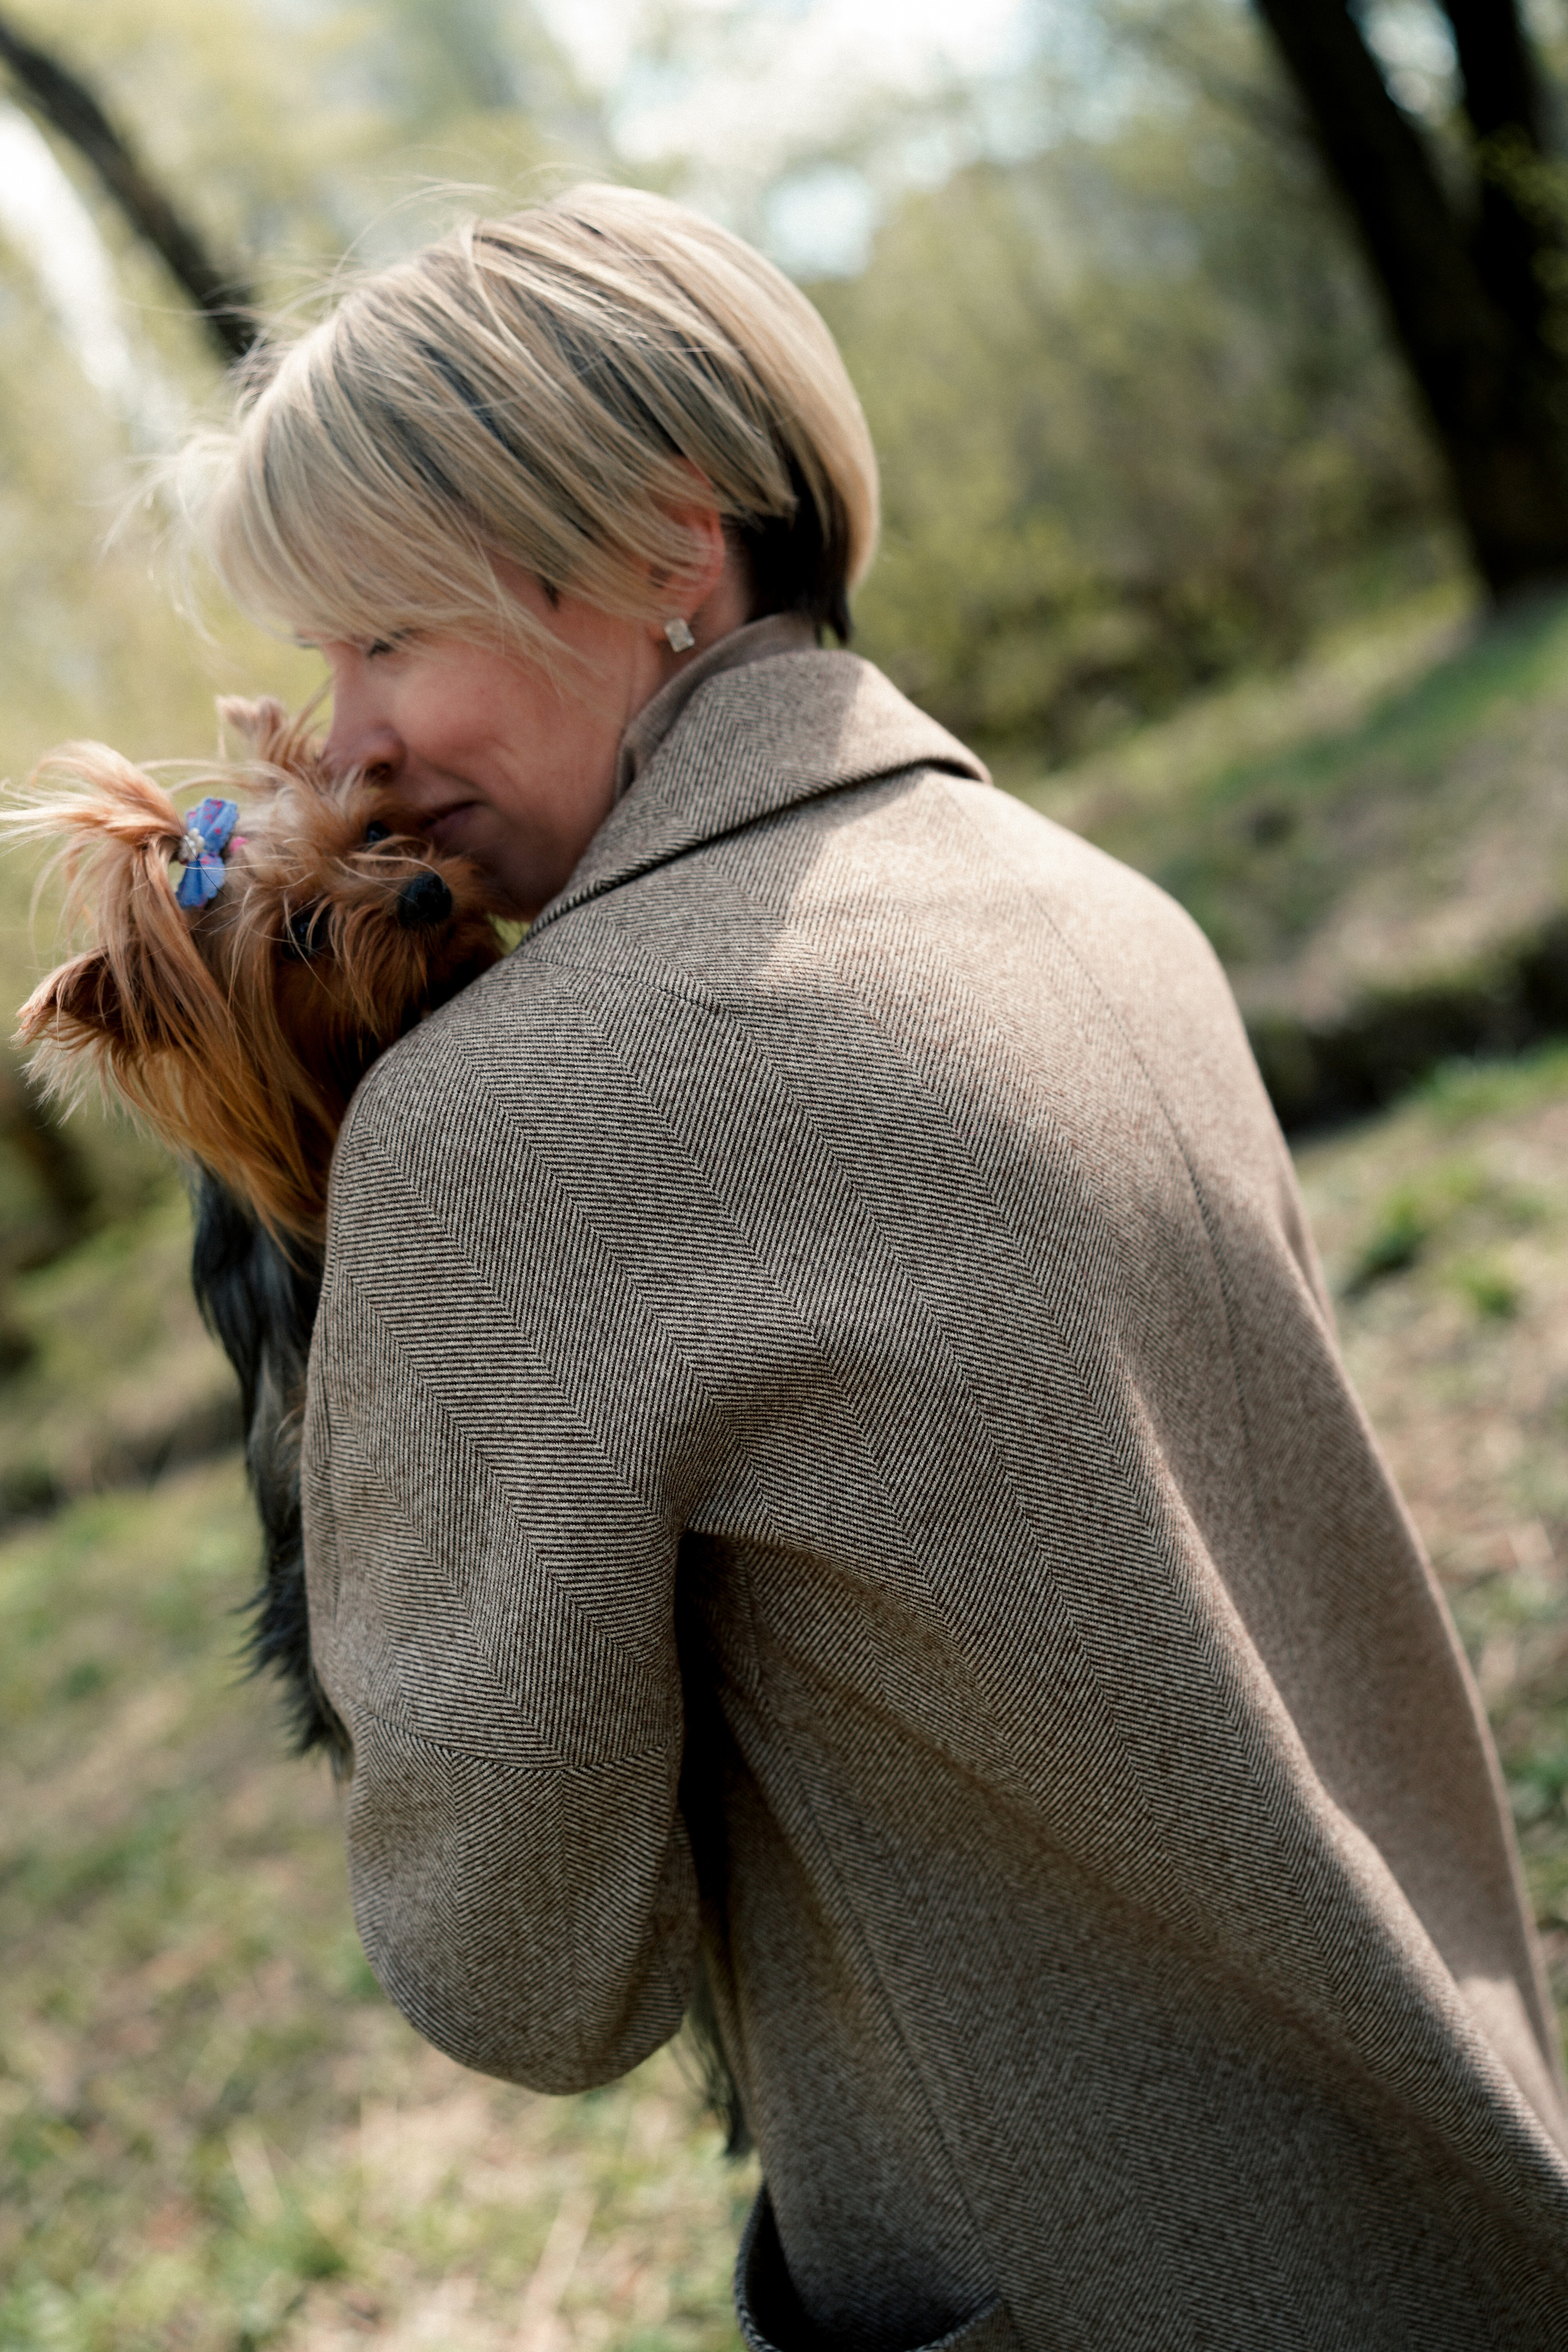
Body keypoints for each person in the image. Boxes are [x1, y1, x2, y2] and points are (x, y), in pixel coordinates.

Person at [195, 183, 1568, 2348]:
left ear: (665, 547)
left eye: (387, 630)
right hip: (1455, 2178)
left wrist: (320, 1325)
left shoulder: (514, 1127)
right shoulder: (1096, 903)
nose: (343, 738)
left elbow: (527, 1972)